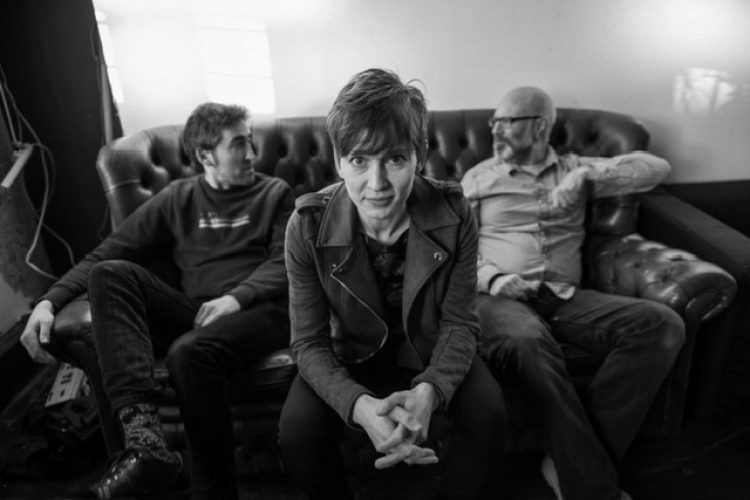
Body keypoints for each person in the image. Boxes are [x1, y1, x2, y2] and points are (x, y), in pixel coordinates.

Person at [19, 102, 294, 500]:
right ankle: (146, 446)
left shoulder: (275, 192)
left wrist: (236, 298)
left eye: (250, 142)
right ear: (205, 155)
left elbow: (287, 260)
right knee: (110, 273)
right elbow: (103, 254)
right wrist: (48, 302)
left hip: (262, 311)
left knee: (189, 353)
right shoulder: (177, 197)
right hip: (198, 312)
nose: (252, 154)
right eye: (238, 144)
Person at [278, 68, 505, 500]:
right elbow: (307, 343)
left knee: (488, 412)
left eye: (395, 159)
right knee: (297, 430)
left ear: (420, 155)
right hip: (350, 355)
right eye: (359, 161)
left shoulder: (455, 212)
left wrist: (430, 391)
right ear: (339, 160)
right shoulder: (307, 225)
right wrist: (359, 406)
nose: (377, 184)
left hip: (429, 349)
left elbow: (460, 323)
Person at [460, 86, 686, 500]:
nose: (494, 130)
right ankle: (590, 488)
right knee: (528, 340)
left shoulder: (575, 167)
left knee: (662, 324)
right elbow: (457, 248)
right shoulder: (478, 177)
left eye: (505, 122)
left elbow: (657, 168)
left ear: (540, 125)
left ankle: (565, 457)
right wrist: (492, 279)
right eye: (494, 122)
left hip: (565, 297)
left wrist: (587, 175)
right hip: (499, 298)